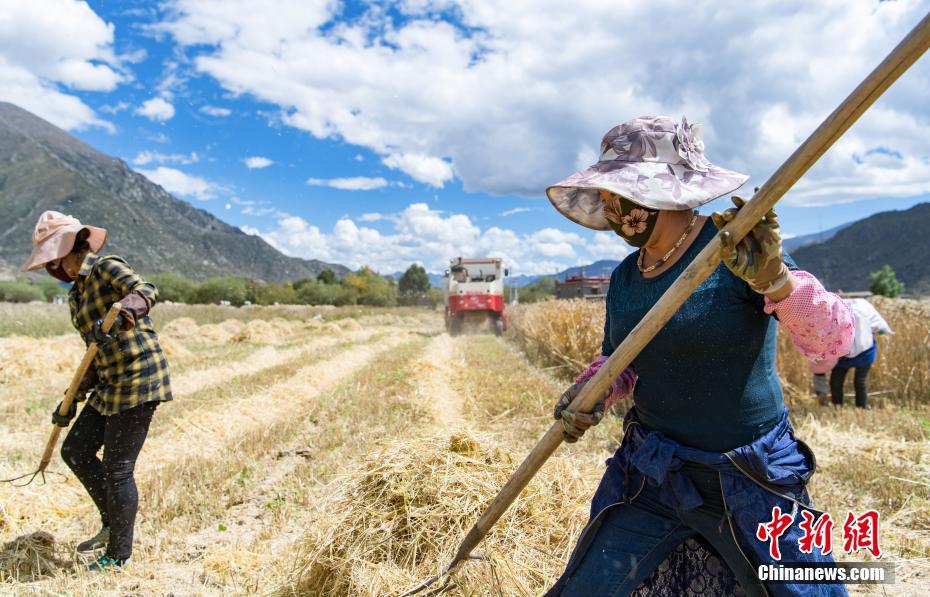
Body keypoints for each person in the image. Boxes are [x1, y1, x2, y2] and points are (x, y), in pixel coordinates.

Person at [543, 116, 854, 596]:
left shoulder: (736, 247)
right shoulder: (626, 277)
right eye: (605, 192)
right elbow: (621, 363)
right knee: (586, 588)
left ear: (665, 191)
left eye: (618, 190)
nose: (608, 204)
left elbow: (832, 342)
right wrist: (592, 393)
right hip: (653, 471)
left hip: (752, 478)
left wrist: (775, 280)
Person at [20, 211, 173, 572]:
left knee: (119, 469)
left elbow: (146, 290)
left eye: (53, 262)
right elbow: (94, 351)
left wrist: (124, 313)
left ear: (70, 248)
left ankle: (118, 556)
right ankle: (111, 524)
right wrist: (70, 401)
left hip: (138, 376)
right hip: (108, 380)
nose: (53, 271)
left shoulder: (106, 267)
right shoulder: (76, 297)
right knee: (75, 450)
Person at [828, 298, 892, 408]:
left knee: (856, 381)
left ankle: (860, 408)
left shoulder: (855, 309)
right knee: (838, 381)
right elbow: (879, 327)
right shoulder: (858, 308)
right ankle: (838, 407)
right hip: (846, 352)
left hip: (863, 351)